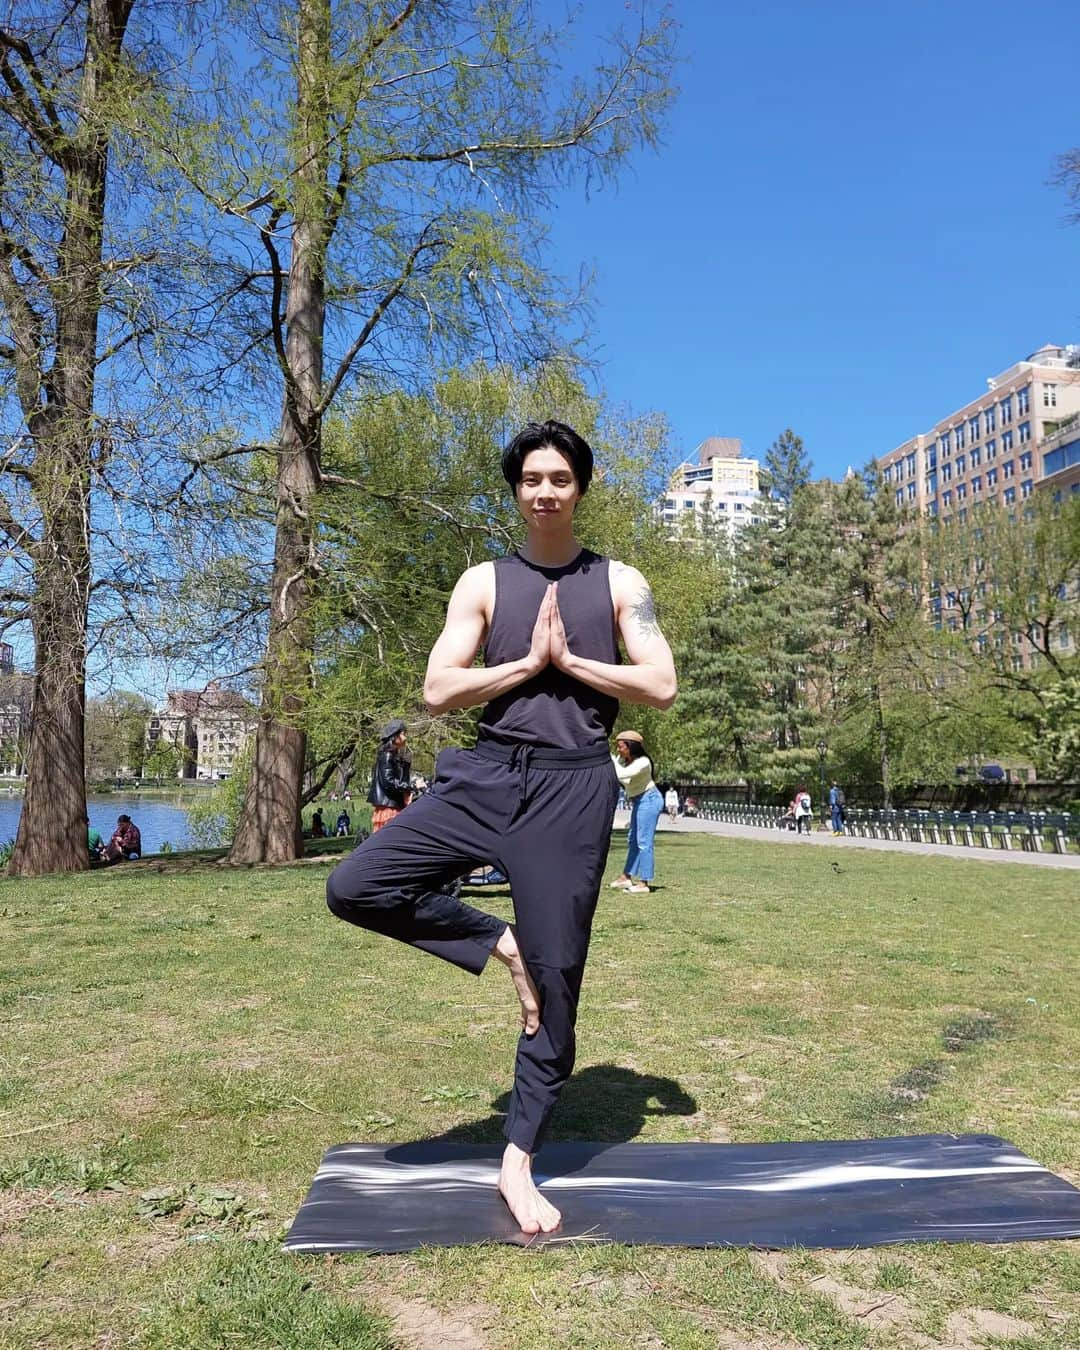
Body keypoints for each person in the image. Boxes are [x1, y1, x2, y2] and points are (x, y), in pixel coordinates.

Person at [326, 419, 677, 1236]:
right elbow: (437, 689)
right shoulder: (482, 581)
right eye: (530, 479)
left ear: (581, 487)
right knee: (356, 885)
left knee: (557, 984)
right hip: (485, 774)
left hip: (571, 788)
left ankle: (518, 1162)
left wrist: (573, 665)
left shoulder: (620, 582)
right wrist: (524, 665)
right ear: (516, 490)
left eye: (559, 478)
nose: (545, 491)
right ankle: (498, 944)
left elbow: (659, 684)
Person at [610, 733, 664, 894]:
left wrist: (611, 759)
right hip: (639, 801)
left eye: (621, 746)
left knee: (643, 841)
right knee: (632, 839)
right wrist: (616, 760)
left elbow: (620, 775)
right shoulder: (628, 762)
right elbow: (626, 782)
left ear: (631, 746)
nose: (618, 750)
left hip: (649, 800)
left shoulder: (643, 762)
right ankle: (626, 877)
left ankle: (644, 883)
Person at [366, 718, 413, 832]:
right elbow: (388, 781)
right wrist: (409, 786)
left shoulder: (393, 755)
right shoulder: (387, 755)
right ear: (395, 736)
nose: (405, 738)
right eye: (403, 734)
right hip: (389, 807)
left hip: (393, 805)